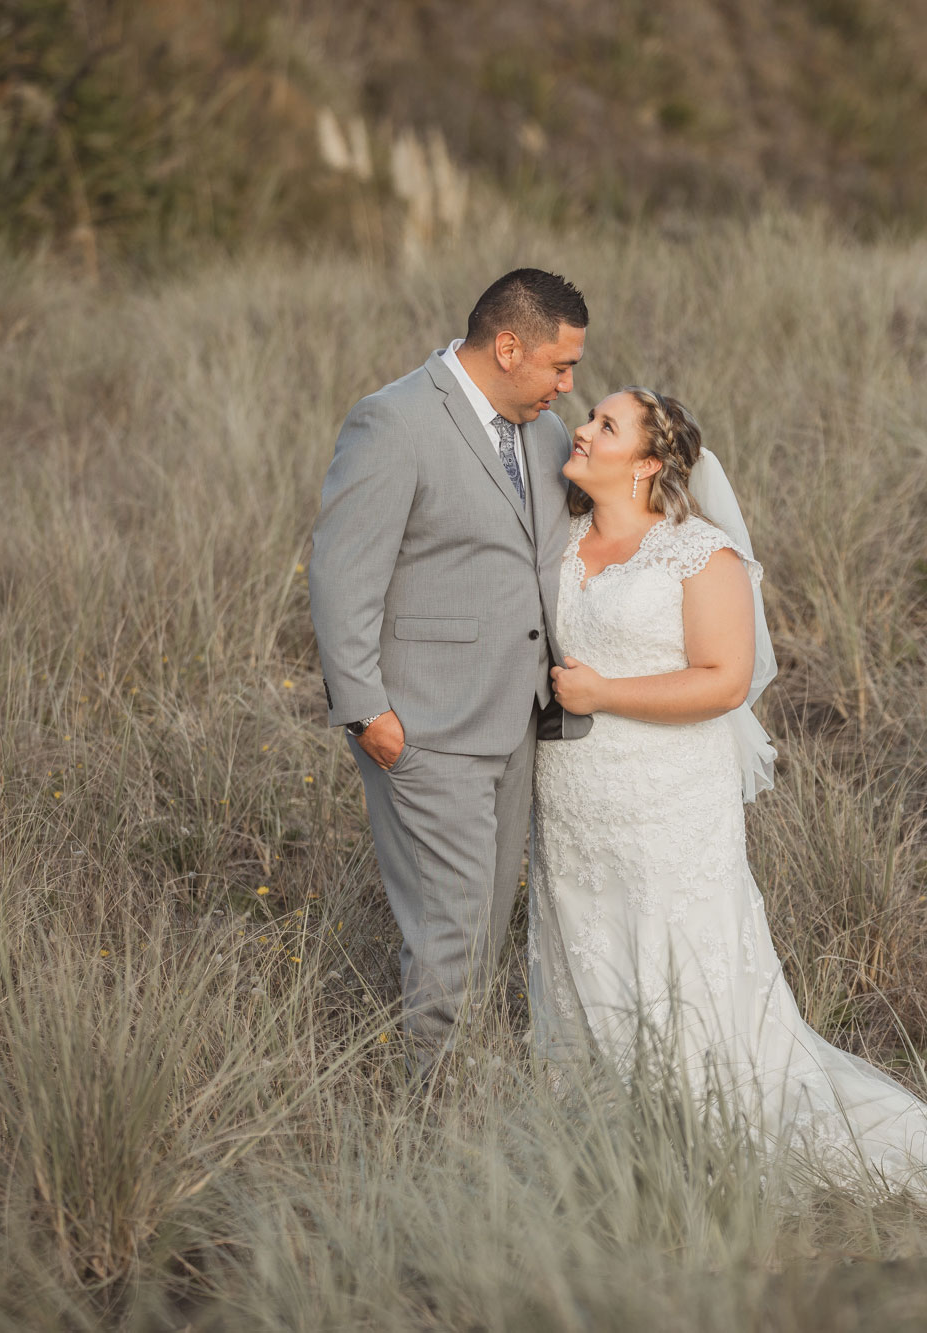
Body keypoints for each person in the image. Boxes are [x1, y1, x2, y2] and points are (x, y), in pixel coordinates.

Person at [528, 386, 927, 1201]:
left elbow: (725, 680)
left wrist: (604, 694)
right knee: (584, 952)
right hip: (571, 803)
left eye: (606, 425)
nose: (584, 431)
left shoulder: (700, 554)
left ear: (649, 463)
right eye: (590, 417)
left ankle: (715, 1138)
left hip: (668, 801)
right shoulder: (558, 540)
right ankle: (610, 1141)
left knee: (683, 969)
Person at [308, 269, 593, 1076]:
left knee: (486, 922)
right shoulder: (393, 422)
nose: (567, 385)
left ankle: (460, 1092)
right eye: (558, 366)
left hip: (516, 719)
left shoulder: (541, 432)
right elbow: (340, 575)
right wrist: (369, 714)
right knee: (454, 928)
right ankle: (439, 1120)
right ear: (509, 347)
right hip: (424, 724)